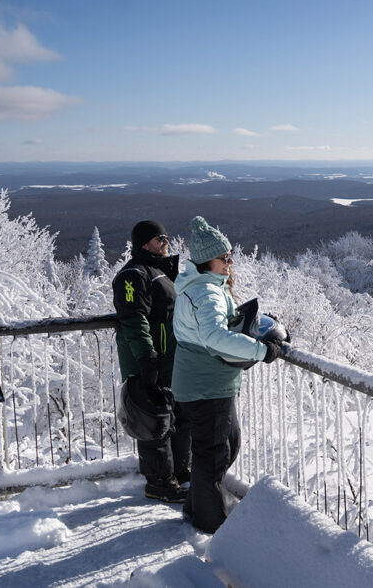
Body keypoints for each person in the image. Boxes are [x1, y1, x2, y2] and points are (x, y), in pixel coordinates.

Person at [172, 215, 282, 533]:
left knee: (221, 446)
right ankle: (212, 523)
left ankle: (196, 508)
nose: (230, 262)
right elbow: (215, 337)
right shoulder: (206, 293)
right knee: (215, 453)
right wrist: (262, 351)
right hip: (206, 385)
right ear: (208, 261)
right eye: (225, 257)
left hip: (202, 382)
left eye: (230, 256)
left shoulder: (199, 287)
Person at [112, 220, 191, 503]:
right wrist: (147, 358)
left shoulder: (158, 271)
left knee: (176, 416)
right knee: (153, 420)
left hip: (169, 359)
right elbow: (134, 319)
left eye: (167, 237)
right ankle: (158, 482)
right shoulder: (132, 276)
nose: (166, 242)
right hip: (149, 361)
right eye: (161, 238)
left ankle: (180, 470)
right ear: (145, 243)